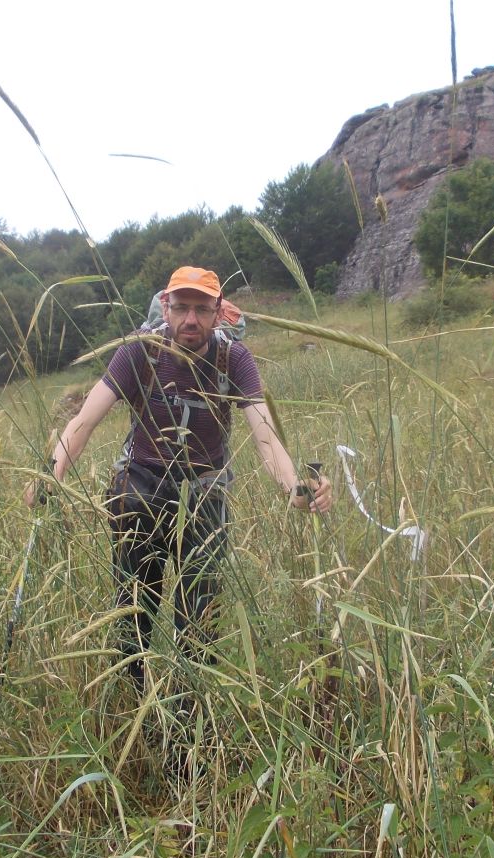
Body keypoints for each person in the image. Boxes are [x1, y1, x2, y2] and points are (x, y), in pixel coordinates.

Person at [24, 266, 332, 690]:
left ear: (218, 311)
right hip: (140, 486)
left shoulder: (233, 359)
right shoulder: (138, 351)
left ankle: (190, 716)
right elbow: (84, 420)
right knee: (134, 613)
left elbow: (265, 436)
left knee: (200, 625)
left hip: (205, 491)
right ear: (165, 307)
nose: (191, 320)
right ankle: (138, 701)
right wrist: (49, 475)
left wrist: (296, 487)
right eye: (182, 307)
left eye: (202, 309)